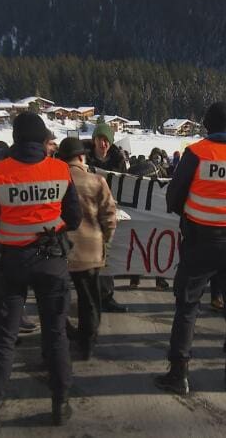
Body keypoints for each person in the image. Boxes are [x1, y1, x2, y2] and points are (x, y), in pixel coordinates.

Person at [0, 113, 82, 434]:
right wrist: (51, 228)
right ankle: (60, 403)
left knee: (4, 339)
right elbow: (75, 218)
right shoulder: (60, 169)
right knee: (55, 333)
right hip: (52, 261)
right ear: (42, 141)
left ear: (14, 139)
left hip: (12, 264)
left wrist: (11, 235)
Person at [154, 102, 226, 394]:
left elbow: (175, 197)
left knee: (188, 306)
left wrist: (193, 213)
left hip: (201, 242)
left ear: (208, 126)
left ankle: (179, 373)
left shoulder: (197, 153)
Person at [58, 137, 117, 359]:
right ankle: (87, 342)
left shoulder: (56, 181)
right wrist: (104, 240)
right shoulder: (97, 181)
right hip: (90, 250)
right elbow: (109, 217)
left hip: (60, 251)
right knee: (89, 300)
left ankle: (60, 338)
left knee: (56, 299)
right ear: (82, 156)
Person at [87, 123, 129, 313]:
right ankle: (89, 295)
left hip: (109, 213)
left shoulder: (119, 161)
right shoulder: (84, 158)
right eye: (100, 139)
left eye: (106, 140)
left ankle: (106, 295)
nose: (103, 144)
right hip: (87, 213)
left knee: (107, 255)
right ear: (94, 139)